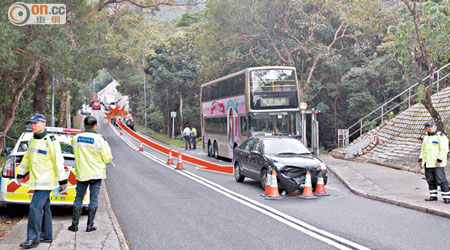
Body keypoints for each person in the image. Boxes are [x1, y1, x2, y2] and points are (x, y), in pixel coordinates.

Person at [17, 113, 68, 249]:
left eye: (35, 123)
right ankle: (46, 235)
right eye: (31, 123)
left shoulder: (50, 141)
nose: (32, 125)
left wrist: (63, 180)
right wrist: (21, 173)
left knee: (34, 208)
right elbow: (27, 158)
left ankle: (33, 239)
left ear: (43, 124)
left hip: (46, 181)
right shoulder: (32, 139)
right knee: (44, 208)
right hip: (37, 180)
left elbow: (58, 161)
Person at [68, 116, 113, 232]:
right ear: (95, 126)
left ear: (84, 125)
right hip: (96, 175)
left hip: (82, 174)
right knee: (93, 200)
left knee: (78, 199)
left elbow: (73, 150)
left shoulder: (76, 138)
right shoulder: (100, 139)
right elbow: (108, 158)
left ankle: (74, 225)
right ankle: (90, 225)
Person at [418, 121, 450, 204]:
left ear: (435, 127)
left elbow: (444, 149)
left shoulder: (441, 137)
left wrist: (439, 160)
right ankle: (433, 196)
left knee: (441, 180)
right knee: (430, 180)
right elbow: (423, 150)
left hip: (437, 163)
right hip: (428, 163)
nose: (429, 128)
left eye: (431, 126)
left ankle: (446, 197)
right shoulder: (426, 138)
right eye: (428, 127)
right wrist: (420, 159)